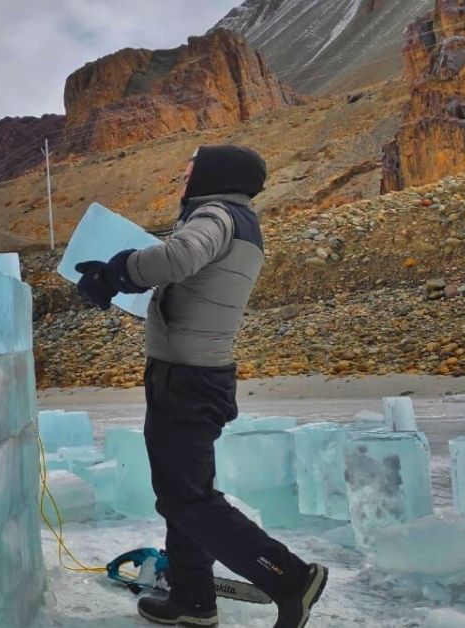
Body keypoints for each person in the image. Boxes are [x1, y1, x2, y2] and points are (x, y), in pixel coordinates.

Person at [74, 145, 328, 628]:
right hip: (195, 374)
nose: (183, 178)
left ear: (214, 176)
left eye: (190, 170)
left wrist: (115, 273)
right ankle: (193, 601)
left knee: (187, 498)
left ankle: (291, 578)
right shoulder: (238, 219)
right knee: (183, 493)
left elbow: (180, 255)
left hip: (187, 379)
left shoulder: (216, 213)